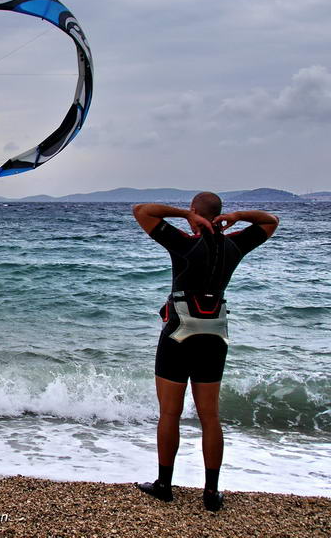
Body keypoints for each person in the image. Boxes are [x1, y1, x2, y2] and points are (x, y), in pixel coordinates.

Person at [132, 192, 278, 511]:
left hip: (179, 332)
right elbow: (271, 221)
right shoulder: (236, 245)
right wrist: (239, 217)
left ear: (197, 213)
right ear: (220, 216)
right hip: (215, 333)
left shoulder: (184, 243)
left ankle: (164, 485)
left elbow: (142, 210)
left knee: (170, 413)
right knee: (210, 416)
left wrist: (184, 214)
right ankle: (211, 493)